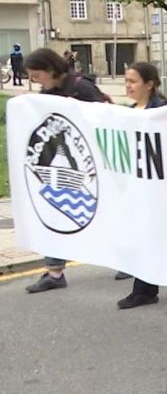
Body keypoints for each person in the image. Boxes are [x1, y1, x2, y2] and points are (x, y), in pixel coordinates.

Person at [23, 48, 108, 294]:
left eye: (36, 74)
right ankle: (54, 271)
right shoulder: (48, 93)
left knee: (106, 214)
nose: (34, 80)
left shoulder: (82, 88)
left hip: (94, 166)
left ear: (50, 70)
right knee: (55, 212)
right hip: (68, 164)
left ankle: (130, 260)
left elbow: (104, 119)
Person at [116, 63, 167, 309]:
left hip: (163, 188)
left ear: (149, 84)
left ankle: (146, 289)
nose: (128, 86)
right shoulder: (129, 112)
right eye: (126, 81)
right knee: (146, 235)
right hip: (140, 187)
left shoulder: (163, 111)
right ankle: (144, 289)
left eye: (133, 81)